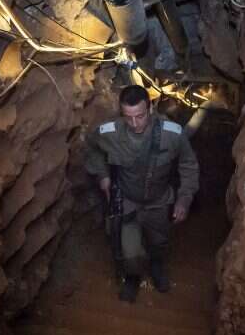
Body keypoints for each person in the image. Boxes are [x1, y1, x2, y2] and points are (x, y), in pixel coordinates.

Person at [85, 85, 199, 302]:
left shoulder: (171, 133)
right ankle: (132, 278)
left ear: (150, 108)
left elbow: (188, 164)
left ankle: (157, 267)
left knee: (159, 242)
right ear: (121, 113)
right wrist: (103, 175)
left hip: (158, 201)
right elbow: (91, 147)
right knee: (130, 252)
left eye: (140, 116)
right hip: (128, 201)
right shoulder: (110, 132)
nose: (135, 123)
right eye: (128, 117)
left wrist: (184, 199)